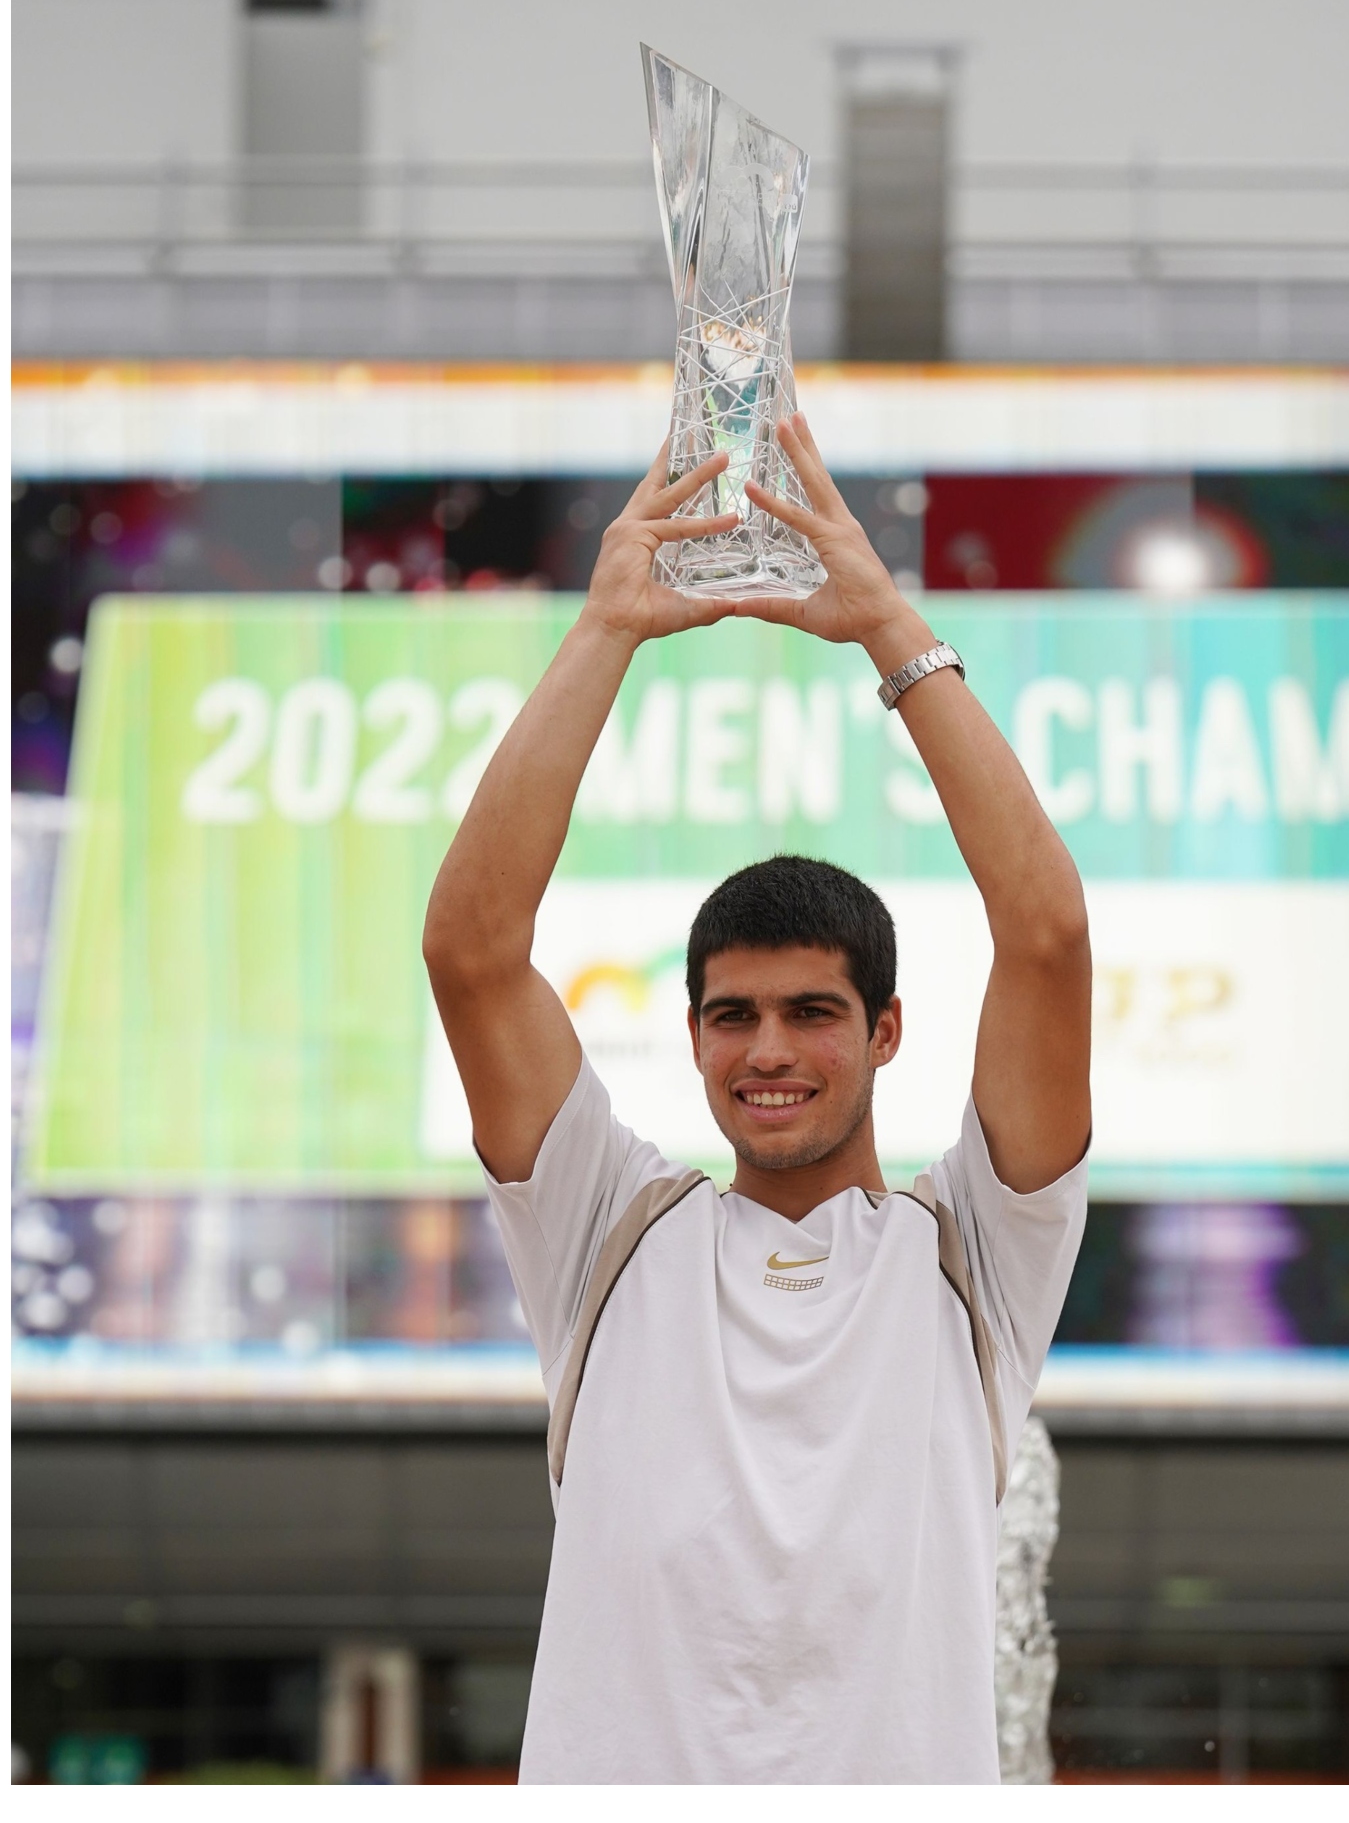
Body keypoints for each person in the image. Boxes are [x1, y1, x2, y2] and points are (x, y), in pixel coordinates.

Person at [420, 414, 1093, 1782]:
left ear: (888, 1029)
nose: (767, 1049)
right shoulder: (607, 1230)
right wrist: (606, 627)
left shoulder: (975, 1256)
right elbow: (471, 950)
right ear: (693, 1034)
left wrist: (889, 634)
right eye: (734, 1015)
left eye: (811, 1013)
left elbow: (1047, 936)